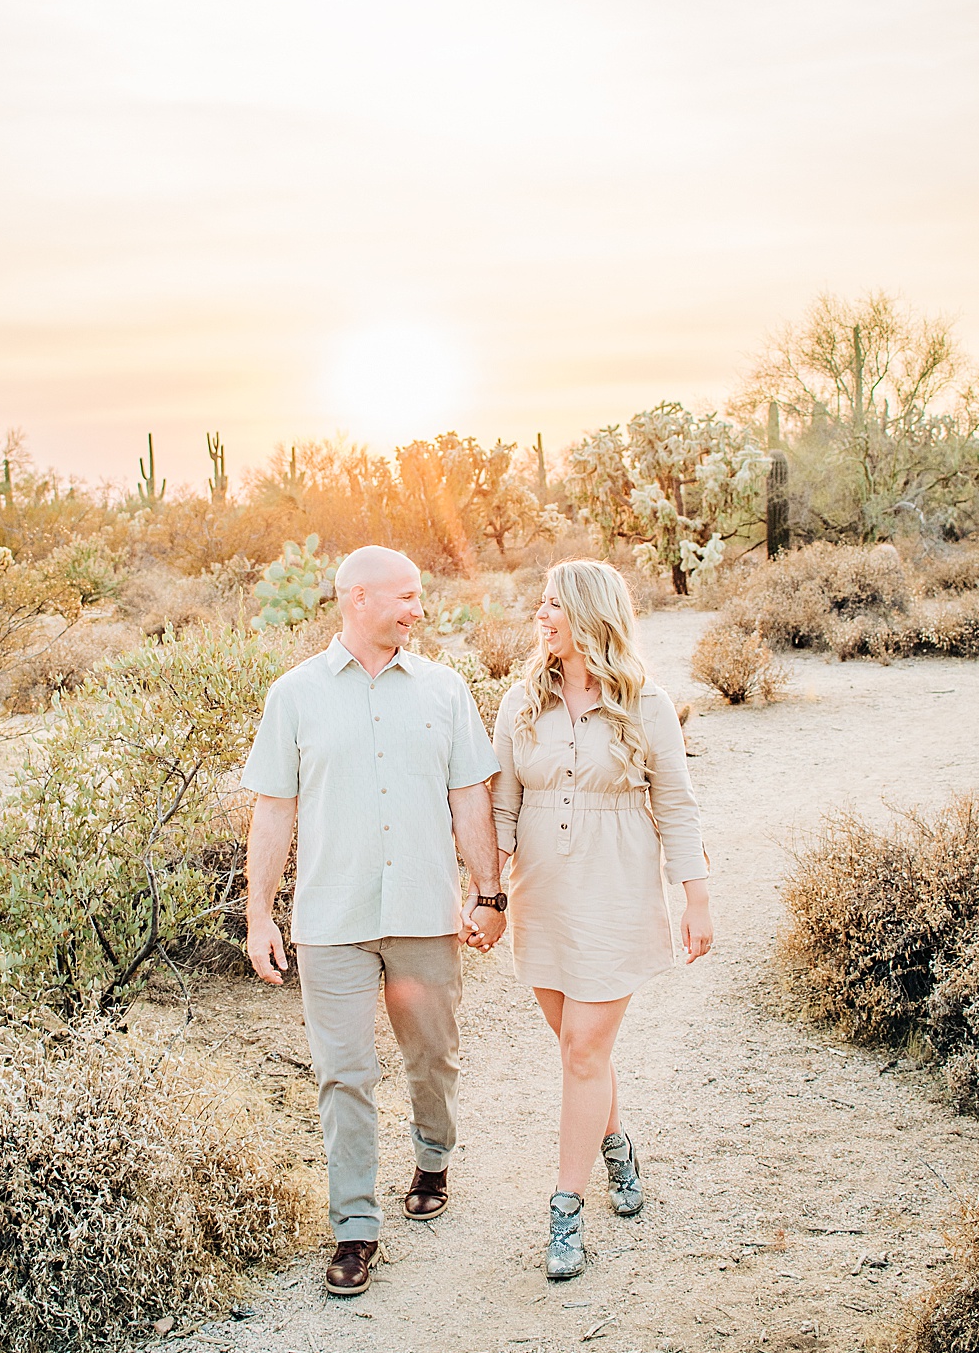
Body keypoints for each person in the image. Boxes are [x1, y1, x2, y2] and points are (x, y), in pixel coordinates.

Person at [243, 545, 506, 1298]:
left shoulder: (445, 690)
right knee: (344, 1073)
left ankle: (433, 1153)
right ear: (357, 599)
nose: (418, 610)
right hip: (333, 919)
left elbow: (469, 798)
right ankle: (355, 1227)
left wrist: (489, 893)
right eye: (406, 596)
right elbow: (273, 810)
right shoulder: (293, 696)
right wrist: (260, 912)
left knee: (432, 1055)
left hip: (424, 909)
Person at [490, 559, 712, 1281]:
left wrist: (694, 895)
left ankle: (565, 1212)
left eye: (554, 604)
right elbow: (500, 809)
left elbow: (675, 804)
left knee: (584, 1049)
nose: (541, 616)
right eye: (540, 603)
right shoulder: (520, 703)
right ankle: (618, 1145)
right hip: (542, 896)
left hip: (616, 892)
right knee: (577, 1045)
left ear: (590, 614)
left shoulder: (646, 703)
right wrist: (485, 892)